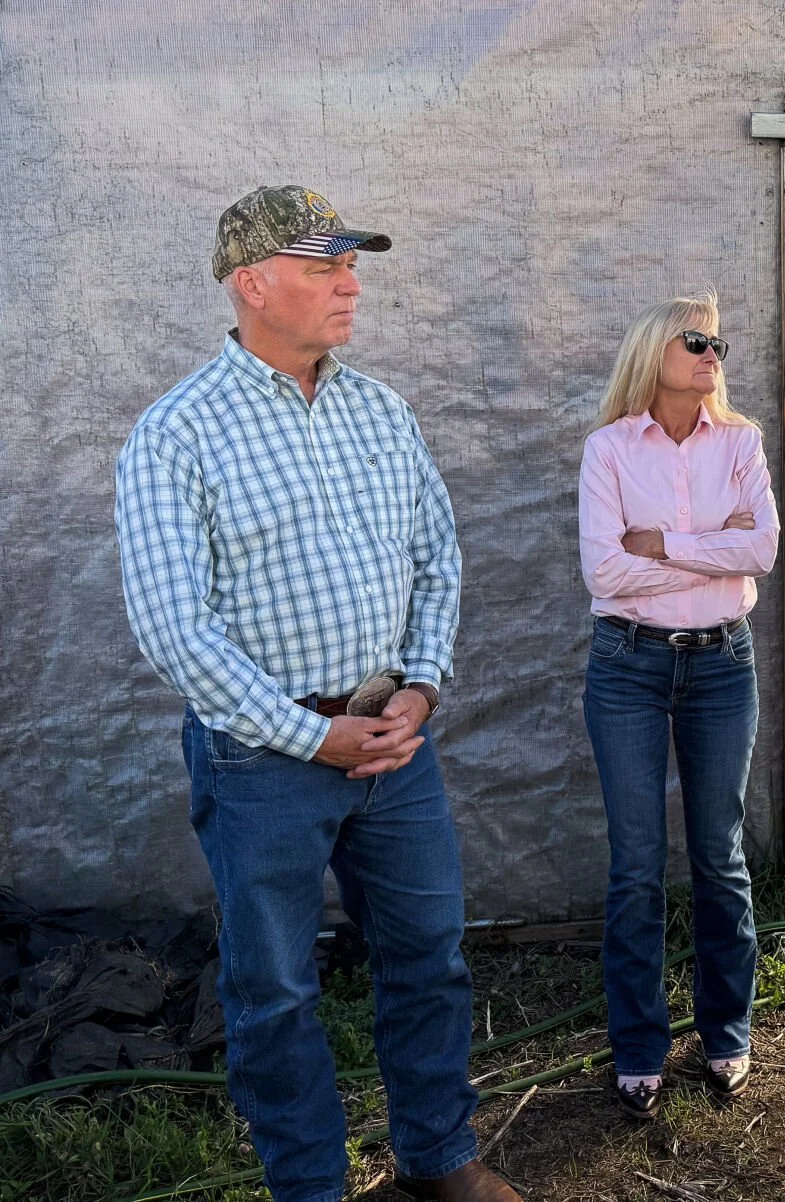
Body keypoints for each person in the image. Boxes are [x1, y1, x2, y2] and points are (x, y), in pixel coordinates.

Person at [115, 186, 518, 1202]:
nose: (352, 283)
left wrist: (421, 685)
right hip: (263, 762)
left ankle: (437, 1159)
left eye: (352, 265)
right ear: (252, 283)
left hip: (393, 740)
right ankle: (309, 1186)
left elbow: (437, 556)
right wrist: (309, 734)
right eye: (324, 267)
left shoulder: (380, 411)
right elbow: (174, 626)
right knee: (275, 987)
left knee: (428, 956)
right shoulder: (177, 433)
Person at [578, 294, 779, 1120]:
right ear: (652, 349)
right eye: (694, 339)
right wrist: (712, 557)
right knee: (634, 866)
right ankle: (638, 1046)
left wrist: (661, 544)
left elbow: (761, 549)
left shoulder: (741, 441)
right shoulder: (609, 448)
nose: (711, 352)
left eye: (717, 342)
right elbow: (604, 574)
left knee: (718, 856)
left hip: (722, 666)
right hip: (628, 665)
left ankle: (727, 1030)